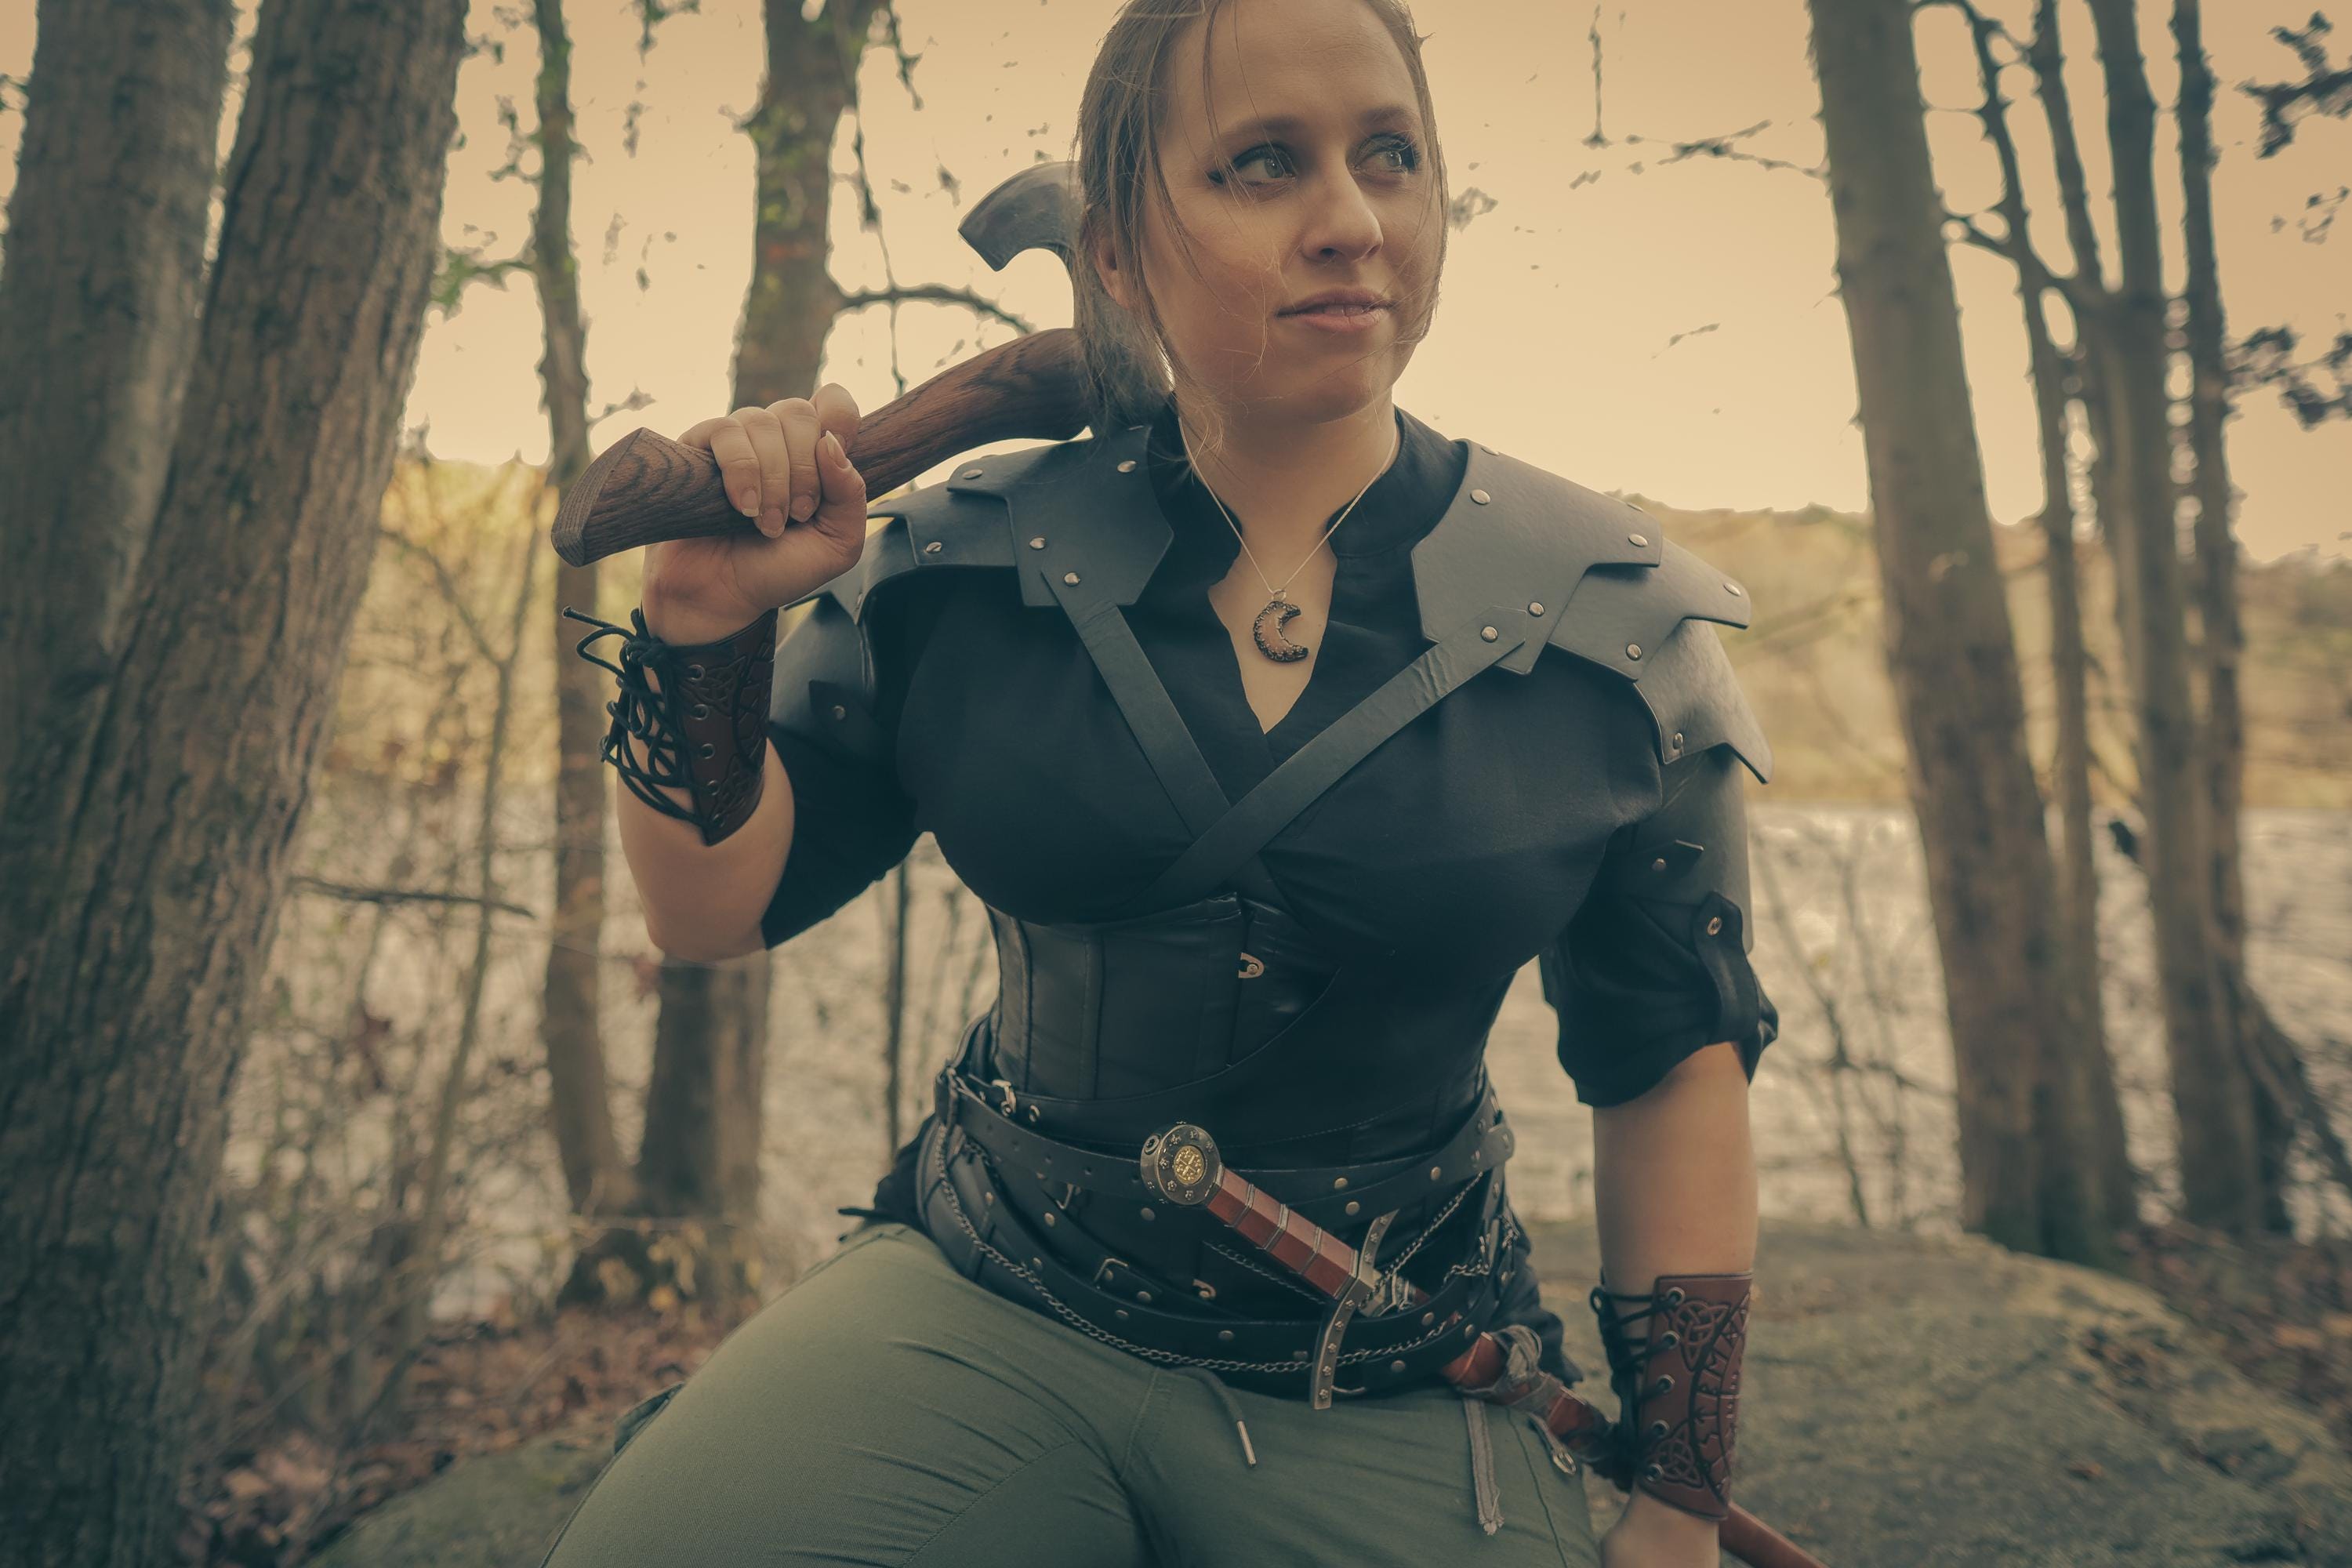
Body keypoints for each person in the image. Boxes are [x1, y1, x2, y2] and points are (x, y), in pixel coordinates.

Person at [547, 1, 1776, 1563]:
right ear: (1116, 253)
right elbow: (712, 909)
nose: (1349, 218)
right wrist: (703, 625)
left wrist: (1678, 1499)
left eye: (1388, 156)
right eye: (1263, 163)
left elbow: (1671, 1071)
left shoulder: (1614, 633)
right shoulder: (960, 571)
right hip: (988, 1297)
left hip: (1391, 1367)